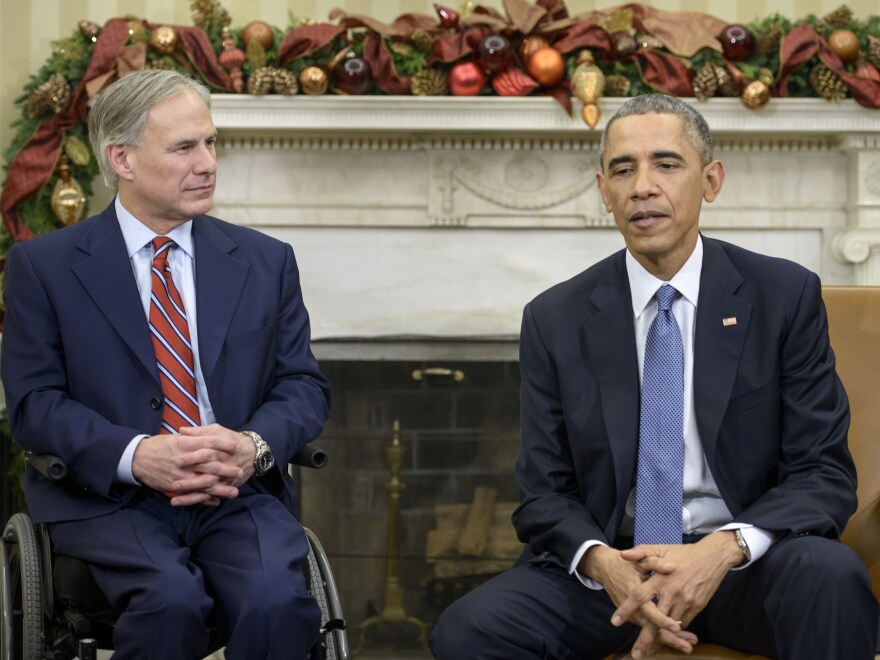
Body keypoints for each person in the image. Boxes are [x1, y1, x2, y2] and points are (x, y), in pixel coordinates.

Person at [429, 94, 879, 659]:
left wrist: (721, 550)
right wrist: (605, 565)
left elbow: (822, 473)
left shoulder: (783, 297)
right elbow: (543, 494)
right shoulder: (555, 319)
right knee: (468, 631)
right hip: (615, 575)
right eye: (623, 170)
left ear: (711, 180)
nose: (642, 187)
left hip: (744, 566)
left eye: (666, 164)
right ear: (604, 192)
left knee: (829, 576)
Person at [1, 69, 331, 659]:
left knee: (276, 603)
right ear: (122, 159)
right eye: (184, 148)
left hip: (235, 493)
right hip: (107, 498)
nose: (207, 163)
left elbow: (302, 384)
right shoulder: (44, 268)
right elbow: (34, 404)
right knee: (169, 601)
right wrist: (136, 455)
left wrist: (251, 446)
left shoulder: (265, 261)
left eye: (210, 142)